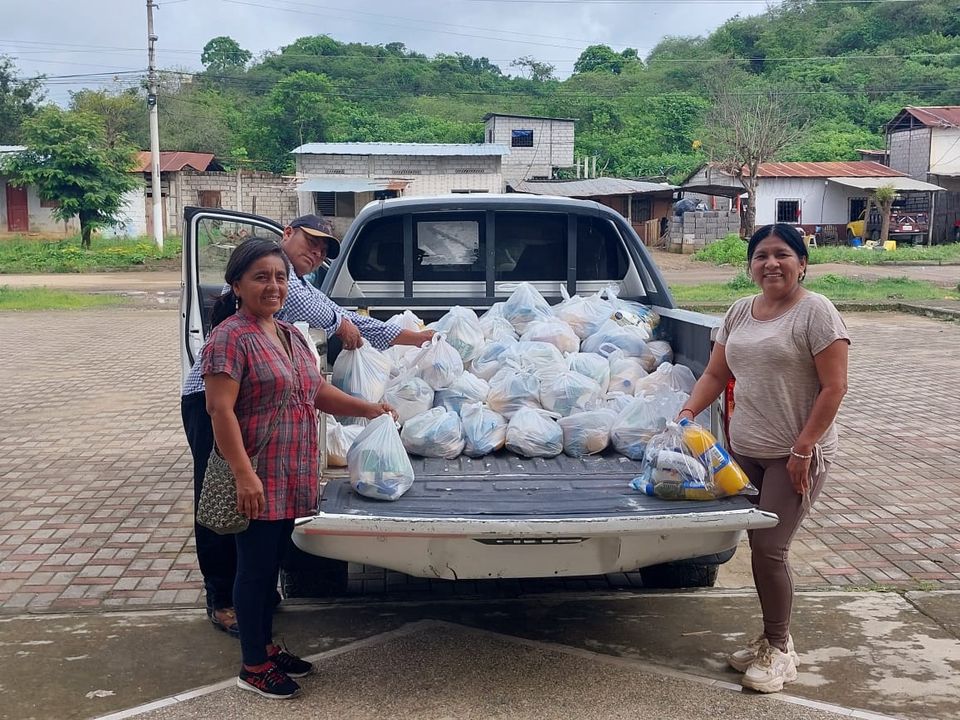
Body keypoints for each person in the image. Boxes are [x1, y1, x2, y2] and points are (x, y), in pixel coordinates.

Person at [181, 214, 432, 638]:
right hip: (214, 403)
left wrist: (370, 407)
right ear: (287, 234)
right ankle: (224, 599)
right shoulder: (279, 296)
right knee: (222, 498)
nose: (315, 254)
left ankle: (255, 597)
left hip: (257, 401)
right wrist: (409, 337)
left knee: (260, 518)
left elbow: (316, 380)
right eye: (310, 242)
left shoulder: (292, 302)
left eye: (322, 250)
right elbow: (341, 319)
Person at [202, 237, 395, 699]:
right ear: (236, 285)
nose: (273, 286)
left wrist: (368, 408)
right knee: (254, 569)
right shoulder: (230, 337)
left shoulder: (288, 333)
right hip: (258, 472)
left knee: (270, 565)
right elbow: (219, 410)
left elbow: (315, 392)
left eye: (280, 277)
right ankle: (253, 666)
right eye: (261, 277)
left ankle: (265, 646)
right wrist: (244, 475)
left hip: (290, 470)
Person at [676, 223, 849, 694]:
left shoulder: (817, 312)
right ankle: (772, 637)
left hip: (795, 454)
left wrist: (803, 448)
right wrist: (687, 413)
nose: (771, 263)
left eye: (782, 254)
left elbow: (835, 387)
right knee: (756, 548)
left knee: (771, 551)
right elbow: (716, 374)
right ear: (751, 265)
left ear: (802, 263)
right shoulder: (740, 311)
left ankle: (779, 650)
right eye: (761, 256)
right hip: (744, 451)